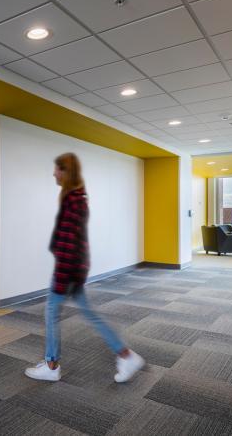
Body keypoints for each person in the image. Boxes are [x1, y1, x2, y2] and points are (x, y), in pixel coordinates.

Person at [25, 153, 144, 383]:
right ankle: (125, 355)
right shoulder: (75, 198)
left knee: (51, 312)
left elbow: (69, 244)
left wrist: (62, 278)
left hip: (68, 270)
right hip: (75, 268)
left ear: (65, 171)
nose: (53, 173)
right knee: (88, 313)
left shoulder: (73, 201)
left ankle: (51, 365)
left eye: (56, 169)